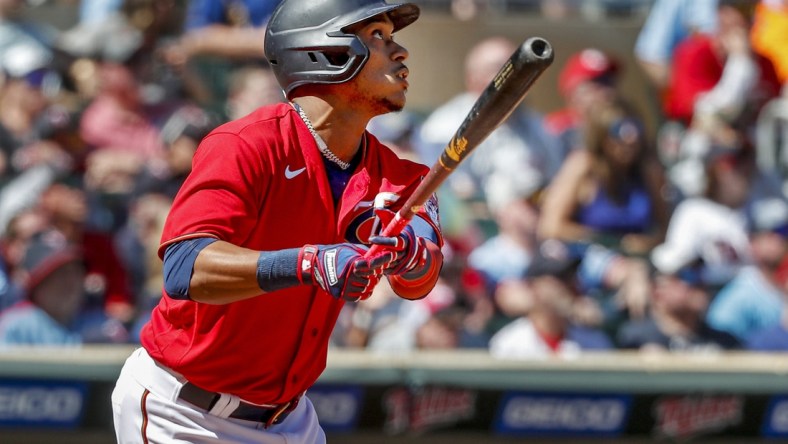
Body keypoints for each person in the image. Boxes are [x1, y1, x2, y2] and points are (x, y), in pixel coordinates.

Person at [111, 1, 444, 443]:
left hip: (290, 418)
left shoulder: (401, 177)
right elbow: (184, 269)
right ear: (324, 50)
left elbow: (417, 283)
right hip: (185, 411)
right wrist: (307, 263)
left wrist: (411, 255)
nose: (399, 51)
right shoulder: (246, 144)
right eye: (377, 36)